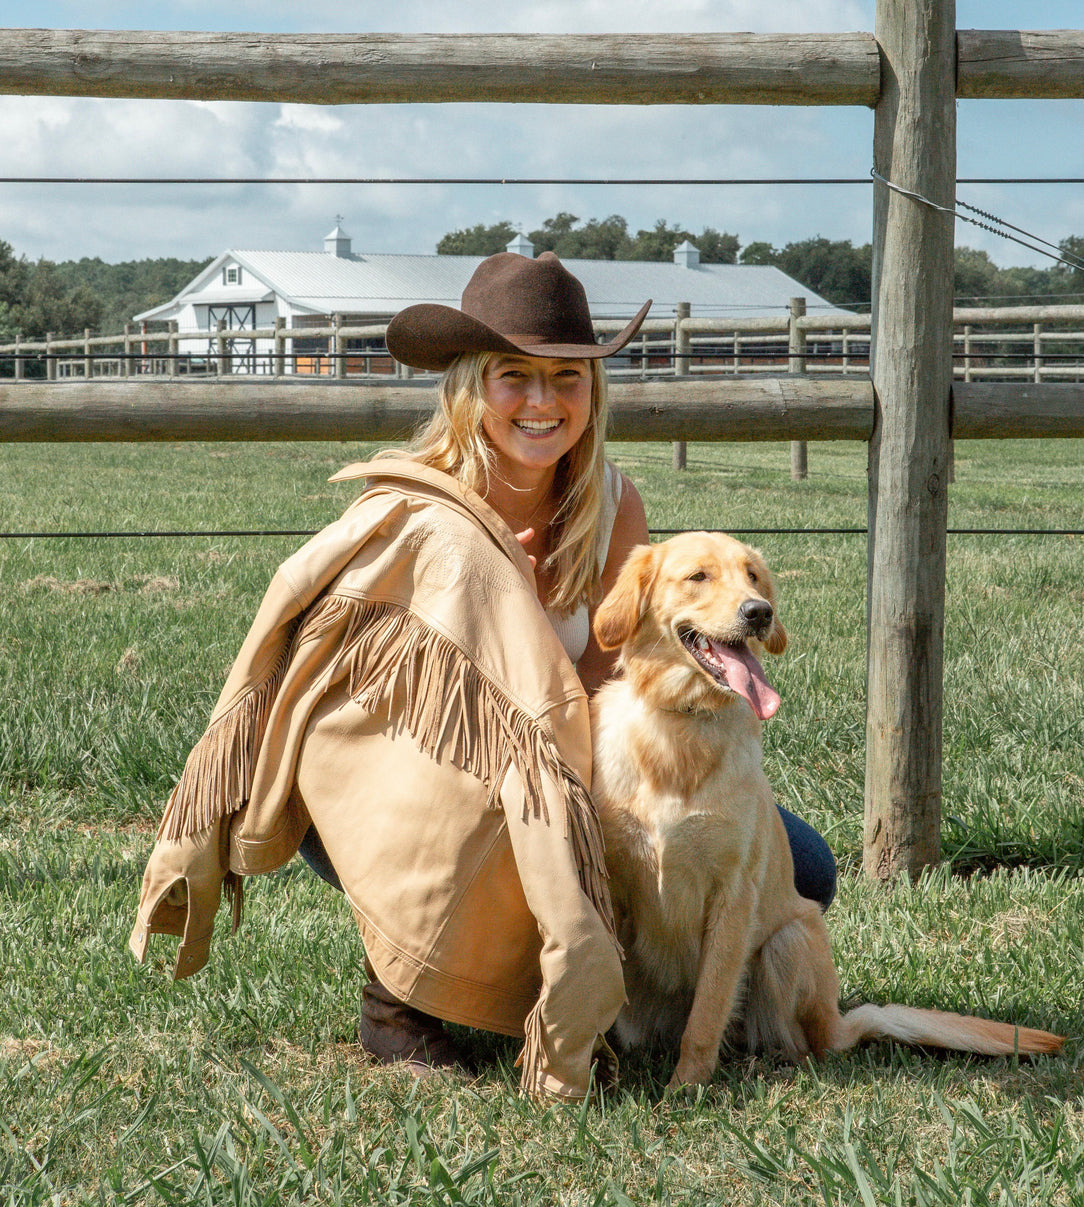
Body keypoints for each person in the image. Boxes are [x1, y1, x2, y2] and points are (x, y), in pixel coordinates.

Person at [131, 251, 835, 1099]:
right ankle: (400, 999)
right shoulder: (414, 512)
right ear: (471, 385)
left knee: (803, 864)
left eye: (566, 377)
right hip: (409, 776)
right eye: (515, 376)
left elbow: (602, 684)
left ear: (591, 391)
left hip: (559, 760)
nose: (543, 402)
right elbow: (364, 701)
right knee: (493, 815)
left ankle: (587, 979)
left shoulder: (613, 505)